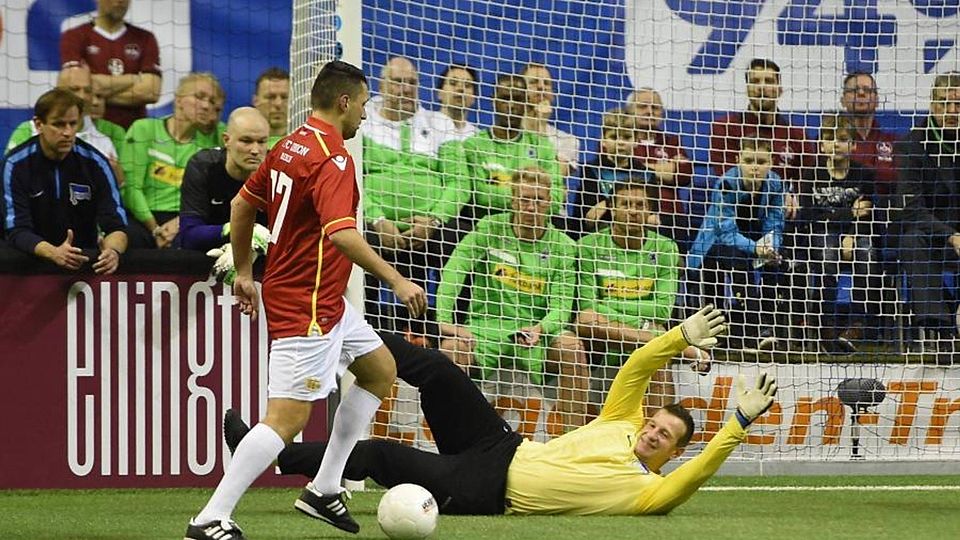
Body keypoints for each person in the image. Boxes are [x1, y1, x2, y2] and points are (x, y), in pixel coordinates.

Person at [224, 307, 778, 517]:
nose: (653, 434)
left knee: (378, 455)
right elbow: (635, 366)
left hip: (486, 490)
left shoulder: (649, 494)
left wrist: (738, 424)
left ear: (673, 454)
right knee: (440, 369)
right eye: (656, 423)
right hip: (502, 444)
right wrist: (679, 336)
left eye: (665, 438)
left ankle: (280, 455)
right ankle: (351, 337)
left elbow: (699, 475)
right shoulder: (621, 425)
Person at [184, 60, 427, 540]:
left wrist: (247, 273)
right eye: (362, 104)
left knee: (379, 369)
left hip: (321, 298)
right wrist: (397, 279)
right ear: (343, 102)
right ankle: (211, 516)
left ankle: (324, 487)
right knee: (287, 419)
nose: (363, 114)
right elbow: (341, 234)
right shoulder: (333, 159)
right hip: (308, 302)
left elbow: (241, 205)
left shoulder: (291, 143)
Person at [436, 166, 588, 431]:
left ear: (549, 203)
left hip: (535, 333)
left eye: (539, 200)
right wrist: (444, 321)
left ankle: (572, 441)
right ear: (513, 200)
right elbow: (454, 271)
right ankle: (452, 442)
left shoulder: (564, 245)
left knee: (571, 348)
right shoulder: (489, 228)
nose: (531, 206)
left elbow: (562, 305)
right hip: (486, 329)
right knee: (451, 350)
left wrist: (542, 328)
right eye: (525, 199)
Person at [574, 180, 708, 415]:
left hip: (619, 329)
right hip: (599, 341)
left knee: (655, 353)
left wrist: (610, 307)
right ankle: (674, 345)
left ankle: (657, 439)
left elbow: (662, 310)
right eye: (625, 204)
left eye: (640, 205)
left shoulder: (666, 248)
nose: (633, 211)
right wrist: (647, 327)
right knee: (587, 320)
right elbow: (587, 308)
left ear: (649, 211)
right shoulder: (587, 247)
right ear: (612, 208)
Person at [361, 56, 470, 326]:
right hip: (377, 226)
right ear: (382, 85)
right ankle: (365, 327)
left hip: (429, 227)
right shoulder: (362, 122)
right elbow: (352, 179)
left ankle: (452, 328)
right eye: (398, 82)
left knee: (462, 240)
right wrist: (377, 219)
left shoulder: (440, 124)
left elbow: (460, 182)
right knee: (356, 239)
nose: (406, 89)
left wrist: (434, 220)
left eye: (412, 83)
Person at [1, 88, 127, 274]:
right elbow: (16, 230)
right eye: (59, 124)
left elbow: (116, 225)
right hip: (27, 265)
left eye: (73, 124)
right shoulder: (15, 164)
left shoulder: (96, 163)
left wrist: (113, 251)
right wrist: (53, 252)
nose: (67, 132)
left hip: (83, 263)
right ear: (38, 124)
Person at [688, 139, 788, 351]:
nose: (754, 166)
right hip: (715, 244)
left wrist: (771, 247)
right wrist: (755, 248)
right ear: (737, 160)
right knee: (738, 260)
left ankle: (768, 327)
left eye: (761, 161)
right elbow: (725, 232)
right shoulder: (726, 183)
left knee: (776, 262)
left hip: (754, 241)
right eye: (749, 160)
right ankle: (750, 331)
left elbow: (775, 222)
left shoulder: (776, 183)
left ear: (770, 162)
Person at [792, 114, 880, 354]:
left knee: (868, 254)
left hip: (855, 234)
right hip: (819, 233)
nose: (836, 144)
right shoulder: (810, 174)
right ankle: (825, 324)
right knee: (827, 255)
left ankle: (857, 324)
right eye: (829, 138)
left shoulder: (865, 174)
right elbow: (810, 216)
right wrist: (849, 214)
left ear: (852, 144)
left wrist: (852, 232)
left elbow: (870, 215)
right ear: (821, 144)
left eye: (842, 139)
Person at [895, 72, 960, 361]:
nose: (951, 112)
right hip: (935, 234)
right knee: (911, 241)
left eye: (958, 105)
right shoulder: (913, 144)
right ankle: (943, 330)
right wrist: (951, 234)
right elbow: (912, 208)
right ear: (932, 105)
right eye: (944, 104)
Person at [120, 72, 220, 249]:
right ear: (178, 99)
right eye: (199, 97)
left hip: (187, 217)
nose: (206, 105)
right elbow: (131, 189)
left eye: (212, 102)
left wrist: (181, 222)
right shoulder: (144, 129)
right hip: (145, 218)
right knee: (125, 235)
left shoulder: (215, 138)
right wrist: (155, 228)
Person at [710, 58, 815, 219]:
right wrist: (776, 196)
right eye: (755, 81)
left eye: (769, 81)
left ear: (780, 89)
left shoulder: (797, 136)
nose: (762, 87)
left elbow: (807, 180)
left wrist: (794, 196)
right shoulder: (725, 128)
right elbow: (728, 177)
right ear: (747, 89)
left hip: (783, 216)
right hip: (738, 214)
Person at [461, 74, 564, 224]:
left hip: (532, 228)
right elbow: (479, 196)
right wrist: (531, 197)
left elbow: (555, 200)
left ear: (526, 103)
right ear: (494, 101)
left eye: (517, 99)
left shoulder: (543, 147)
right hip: (485, 227)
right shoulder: (474, 145)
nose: (511, 105)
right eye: (504, 98)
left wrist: (499, 189)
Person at [5, 65, 124, 185]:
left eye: (87, 90)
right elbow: (9, 177)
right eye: (74, 89)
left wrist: (117, 180)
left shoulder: (104, 139)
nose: (82, 96)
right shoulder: (28, 130)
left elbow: (116, 190)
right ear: (57, 91)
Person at [178, 107, 270, 252]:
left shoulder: (276, 170)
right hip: (207, 254)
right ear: (226, 140)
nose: (255, 150)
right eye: (246, 141)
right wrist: (234, 229)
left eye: (262, 142)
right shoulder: (203, 166)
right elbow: (189, 236)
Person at [60, 0, 161, 129]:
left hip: (132, 132)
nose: (119, 2)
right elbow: (73, 89)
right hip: (89, 131)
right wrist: (133, 78)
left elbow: (150, 92)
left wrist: (95, 92)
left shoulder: (145, 38)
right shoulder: (74, 36)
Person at [627, 88, 696, 251]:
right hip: (633, 212)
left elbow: (684, 175)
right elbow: (624, 172)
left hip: (670, 215)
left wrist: (642, 166)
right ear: (630, 111)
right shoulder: (621, 140)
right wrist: (667, 168)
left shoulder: (671, 142)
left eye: (655, 108)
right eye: (643, 106)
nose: (649, 111)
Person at [568, 107, 641, 240]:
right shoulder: (591, 171)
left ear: (636, 140)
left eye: (627, 137)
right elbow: (589, 217)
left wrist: (607, 204)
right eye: (613, 137)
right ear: (603, 140)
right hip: (597, 238)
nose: (620, 143)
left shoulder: (646, 174)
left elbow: (650, 215)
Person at [840, 72, 898, 195]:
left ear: (877, 100)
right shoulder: (829, 140)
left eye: (867, 90)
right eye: (854, 90)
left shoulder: (895, 142)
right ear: (843, 100)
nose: (861, 93)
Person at [521, 63, 581, 176]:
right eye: (533, 82)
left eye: (547, 83)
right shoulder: (507, 134)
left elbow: (554, 176)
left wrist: (542, 126)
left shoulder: (567, 141)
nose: (541, 87)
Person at [437, 64, 479, 140]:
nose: (460, 89)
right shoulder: (423, 123)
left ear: (473, 98)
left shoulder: (477, 137)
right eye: (453, 83)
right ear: (439, 93)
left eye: (467, 85)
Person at [252, 67, 290, 149]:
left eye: (284, 97)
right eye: (270, 97)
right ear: (255, 101)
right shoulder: (239, 138)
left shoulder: (307, 140)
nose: (278, 103)